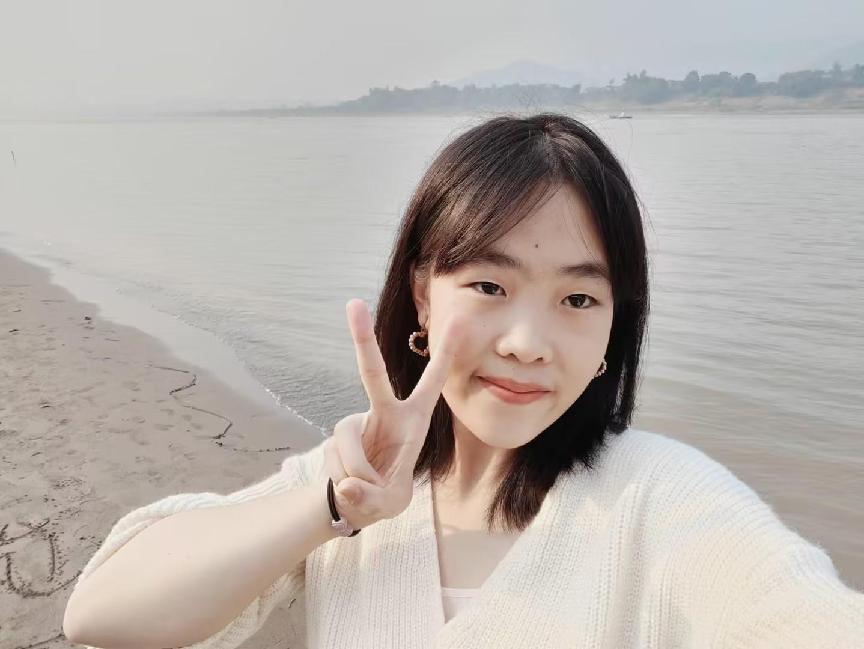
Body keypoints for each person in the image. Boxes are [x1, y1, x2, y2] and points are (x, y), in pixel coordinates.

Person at [63, 113, 864, 649]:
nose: (527, 344)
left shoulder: (662, 497)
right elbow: (101, 612)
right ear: (423, 294)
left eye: (578, 299)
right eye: (489, 285)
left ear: (614, 327)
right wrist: (331, 507)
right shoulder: (360, 482)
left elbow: (791, 609)